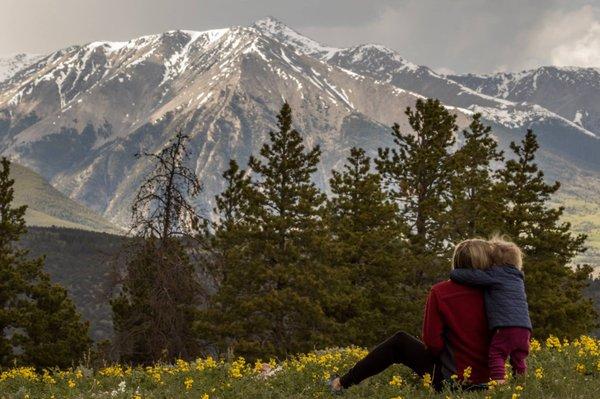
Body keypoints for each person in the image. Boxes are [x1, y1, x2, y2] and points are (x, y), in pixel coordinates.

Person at [329, 239, 492, 393]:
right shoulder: (495, 293)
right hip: (492, 383)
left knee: (400, 342)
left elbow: (432, 342)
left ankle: (340, 384)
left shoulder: (441, 292)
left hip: (451, 382)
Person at [450, 236, 532, 382]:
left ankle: (498, 386)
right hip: (525, 328)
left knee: (497, 355)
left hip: (506, 326)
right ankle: (522, 385)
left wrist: (455, 272)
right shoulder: (517, 277)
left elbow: (471, 276)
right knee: (519, 360)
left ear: (496, 262)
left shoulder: (496, 274)